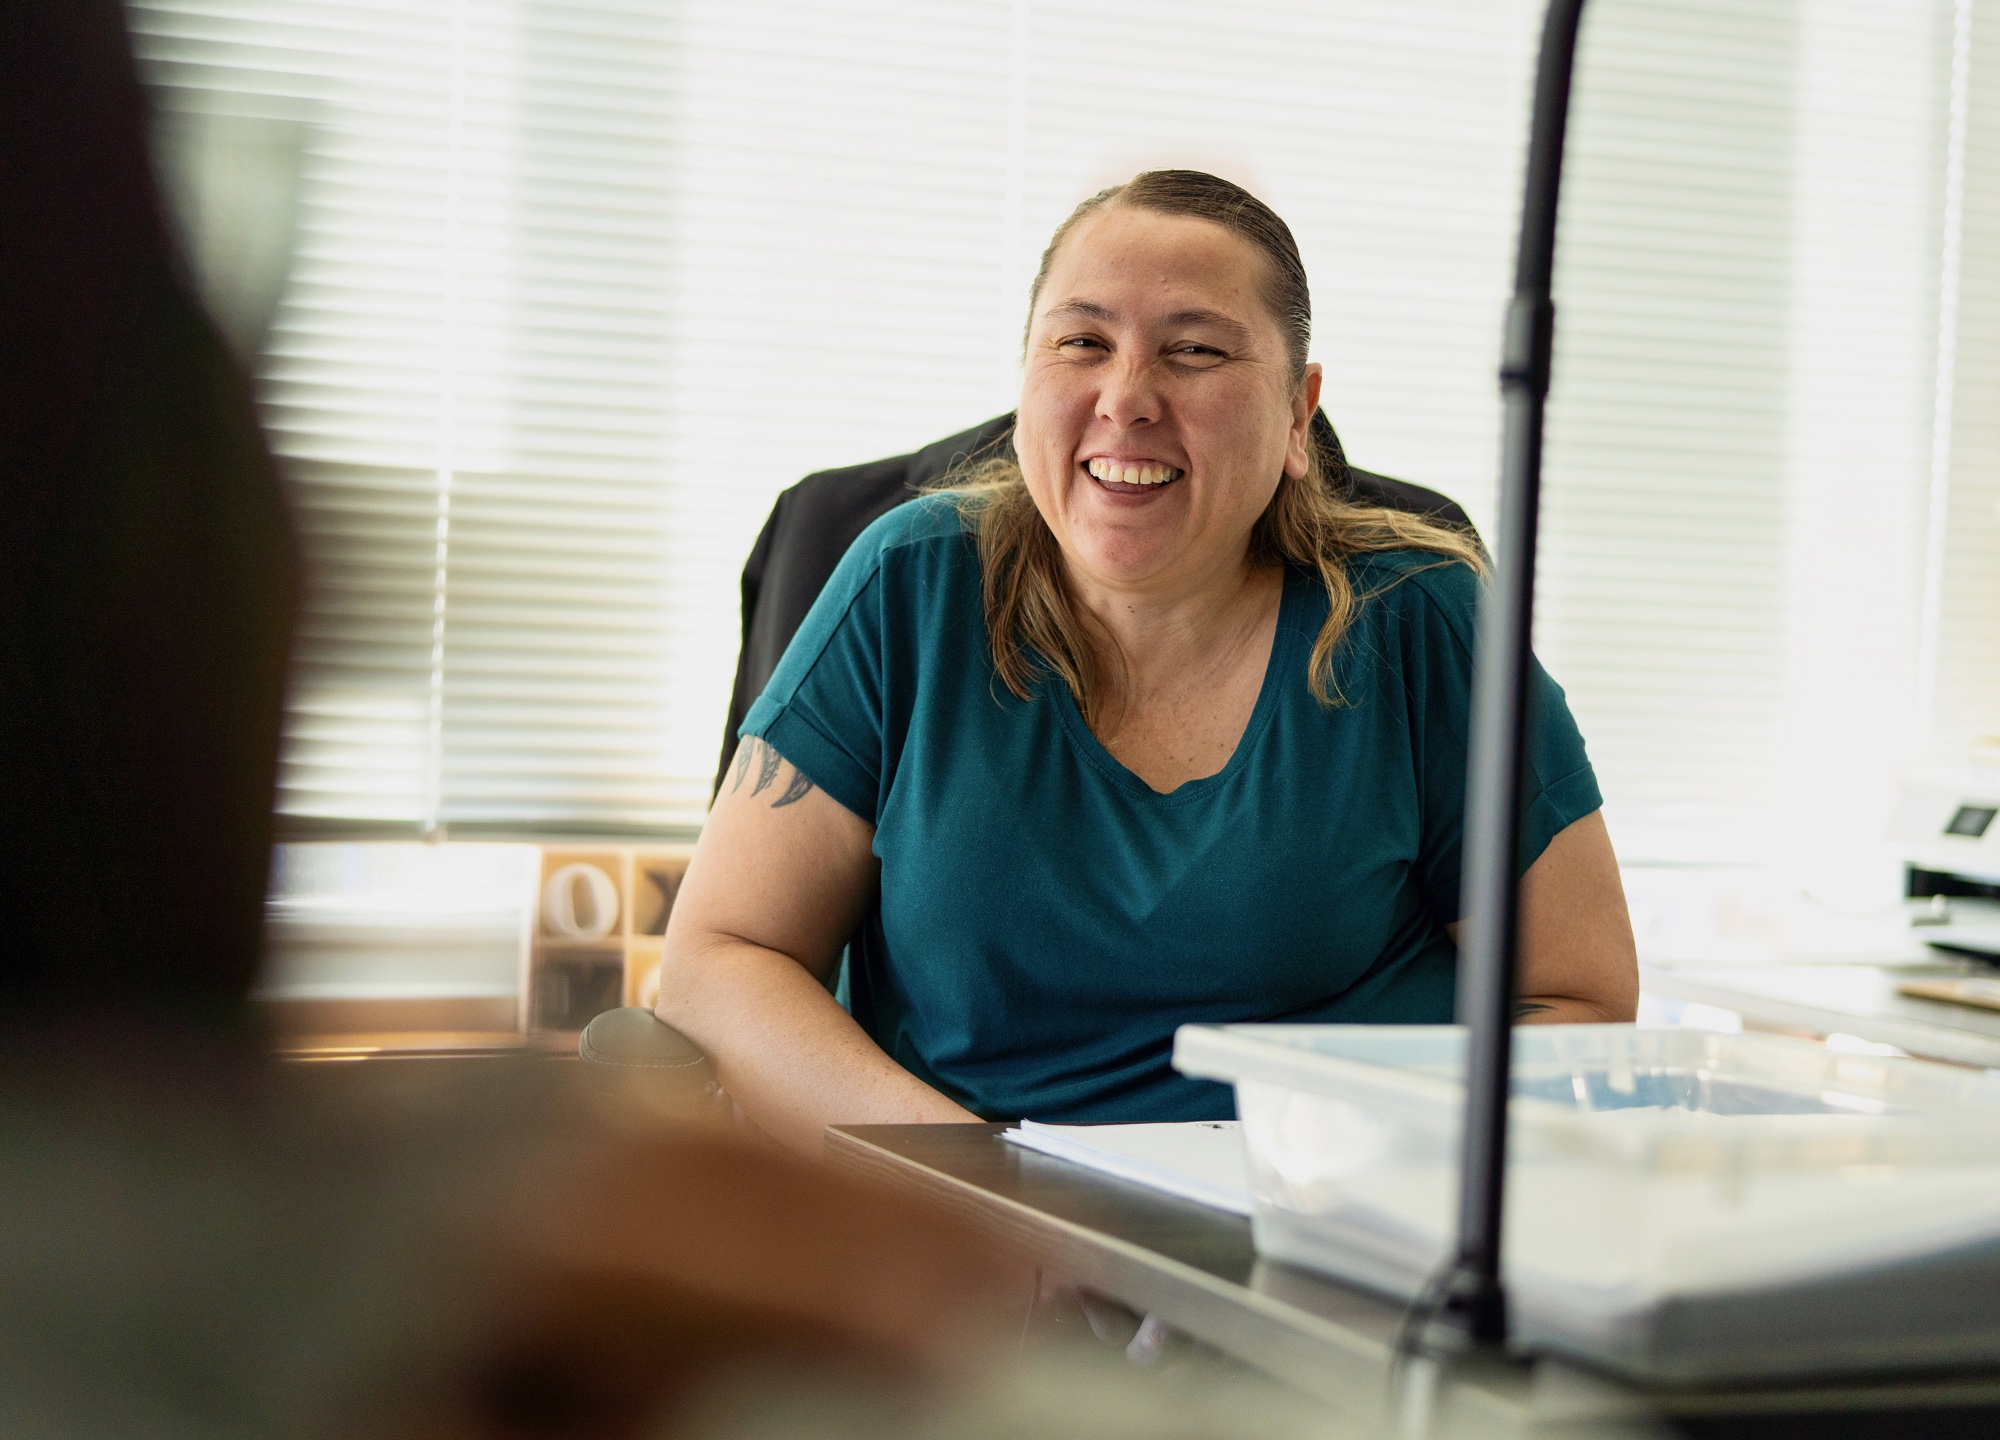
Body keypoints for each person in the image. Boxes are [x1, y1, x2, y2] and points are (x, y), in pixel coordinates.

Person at [659, 170, 1638, 1152]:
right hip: (956, 1218)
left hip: (1317, 1220)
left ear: (1298, 416)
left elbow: (1575, 1002)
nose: (1125, 398)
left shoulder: (1421, 620)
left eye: (1194, 350)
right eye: (1082, 342)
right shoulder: (906, 587)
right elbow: (718, 960)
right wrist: (983, 1194)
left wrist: (1345, 1176)